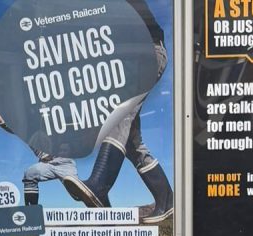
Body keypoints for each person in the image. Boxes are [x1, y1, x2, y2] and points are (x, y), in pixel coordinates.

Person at [64, 0, 174, 224]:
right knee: (132, 142)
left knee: (120, 116)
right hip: (132, 62)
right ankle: (166, 200)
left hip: (147, 55)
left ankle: (99, 184)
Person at [0, 95, 84, 207]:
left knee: (78, 194)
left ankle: (97, 202)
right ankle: (32, 210)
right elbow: (4, 123)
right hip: (46, 164)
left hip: (64, 162)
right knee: (30, 174)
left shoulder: (57, 123)